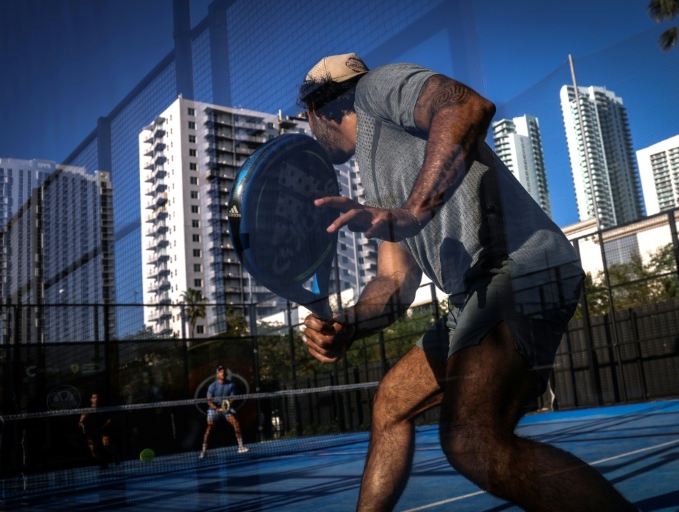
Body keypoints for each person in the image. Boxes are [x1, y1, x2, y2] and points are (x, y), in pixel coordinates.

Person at [298, 53, 637, 511]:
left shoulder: (376, 89)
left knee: (472, 440)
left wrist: (411, 212)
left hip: (519, 266)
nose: (306, 124)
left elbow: (466, 105)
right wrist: (349, 323)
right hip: (475, 295)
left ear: (320, 109)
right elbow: (394, 281)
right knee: (392, 403)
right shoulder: (375, 169)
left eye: (306, 115)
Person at [200, 365, 248, 458]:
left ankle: (241, 447)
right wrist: (216, 408)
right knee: (209, 428)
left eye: (224, 372)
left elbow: (233, 398)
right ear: (217, 374)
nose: (223, 373)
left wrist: (227, 406)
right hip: (213, 410)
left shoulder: (231, 385)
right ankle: (204, 450)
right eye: (221, 372)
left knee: (236, 423)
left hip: (226, 408)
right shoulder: (212, 386)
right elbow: (209, 401)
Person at [78, 392, 115, 469]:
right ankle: (102, 463)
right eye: (94, 398)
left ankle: (115, 457)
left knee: (106, 444)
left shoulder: (103, 410)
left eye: (97, 397)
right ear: (91, 400)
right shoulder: (86, 411)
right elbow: (80, 422)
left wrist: (102, 428)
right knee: (93, 449)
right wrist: (84, 428)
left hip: (102, 431)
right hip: (92, 433)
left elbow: (109, 420)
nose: (96, 399)